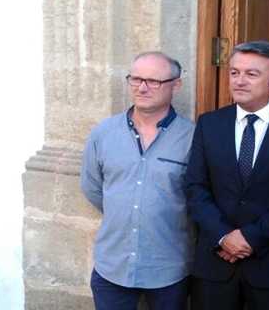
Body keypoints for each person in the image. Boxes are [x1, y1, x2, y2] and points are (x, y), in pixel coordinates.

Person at [185, 41, 269, 310]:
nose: (239, 81)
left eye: (251, 74)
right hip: (215, 264)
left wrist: (250, 237)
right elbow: (195, 187)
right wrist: (224, 236)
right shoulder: (209, 123)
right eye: (234, 72)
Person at [81, 51, 194, 310]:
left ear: (176, 85)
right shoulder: (103, 133)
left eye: (153, 81)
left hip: (168, 268)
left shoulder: (192, 137)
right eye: (135, 79)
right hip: (113, 266)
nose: (142, 88)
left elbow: (196, 198)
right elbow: (92, 186)